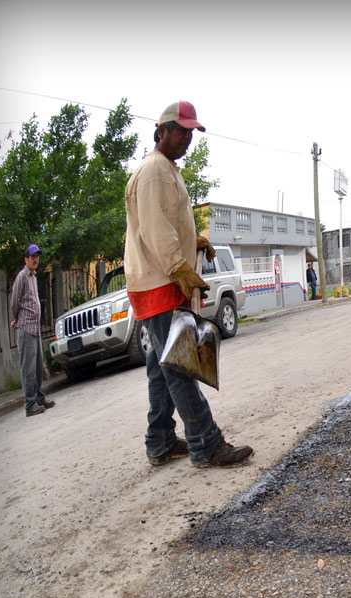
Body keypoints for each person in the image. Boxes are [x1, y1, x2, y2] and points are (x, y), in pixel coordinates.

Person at [124, 100, 253, 468]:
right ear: (161, 130)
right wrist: (180, 267)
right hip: (159, 280)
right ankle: (205, 443)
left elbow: (167, 222)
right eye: (181, 130)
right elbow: (154, 227)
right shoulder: (154, 171)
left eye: (192, 131)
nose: (187, 137)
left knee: (161, 364)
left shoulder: (166, 169)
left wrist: (191, 239)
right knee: (180, 364)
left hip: (156, 278)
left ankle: (161, 440)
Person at [8, 244, 55, 416]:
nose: (36, 259)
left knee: (37, 368)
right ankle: (30, 405)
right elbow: (14, 301)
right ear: (26, 259)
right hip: (26, 328)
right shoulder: (22, 277)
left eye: (37, 256)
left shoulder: (34, 277)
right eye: (32, 256)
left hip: (35, 329)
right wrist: (17, 318)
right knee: (27, 368)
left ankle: (39, 398)